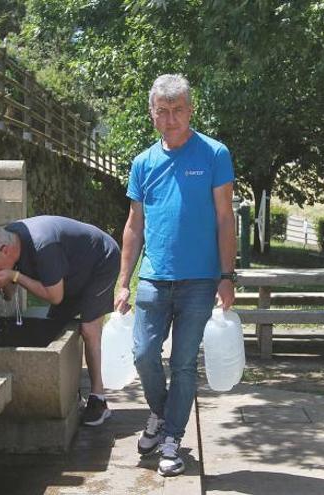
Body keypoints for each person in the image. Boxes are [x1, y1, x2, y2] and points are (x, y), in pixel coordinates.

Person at [114, 74, 236, 477]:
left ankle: (171, 439)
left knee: (183, 364)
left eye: (177, 110)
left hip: (201, 281)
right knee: (144, 354)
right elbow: (134, 225)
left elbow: (224, 217)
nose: (170, 119)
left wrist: (227, 275)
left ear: (190, 110)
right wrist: (122, 281)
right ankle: (161, 414)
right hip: (153, 277)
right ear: (152, 115)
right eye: (162, 112)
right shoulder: (143, 163)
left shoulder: (214, 154)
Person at [0, 215, 121, 426]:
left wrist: (14, 277)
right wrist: (2, 281)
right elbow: (9, 293)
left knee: (89, 329)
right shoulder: (10, 239)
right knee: (55, 327)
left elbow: (55, 296)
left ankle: (98, 399)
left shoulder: (43, 245)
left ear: (5, 251)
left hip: (100, 261)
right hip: (69, 272)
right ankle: (70, 393)